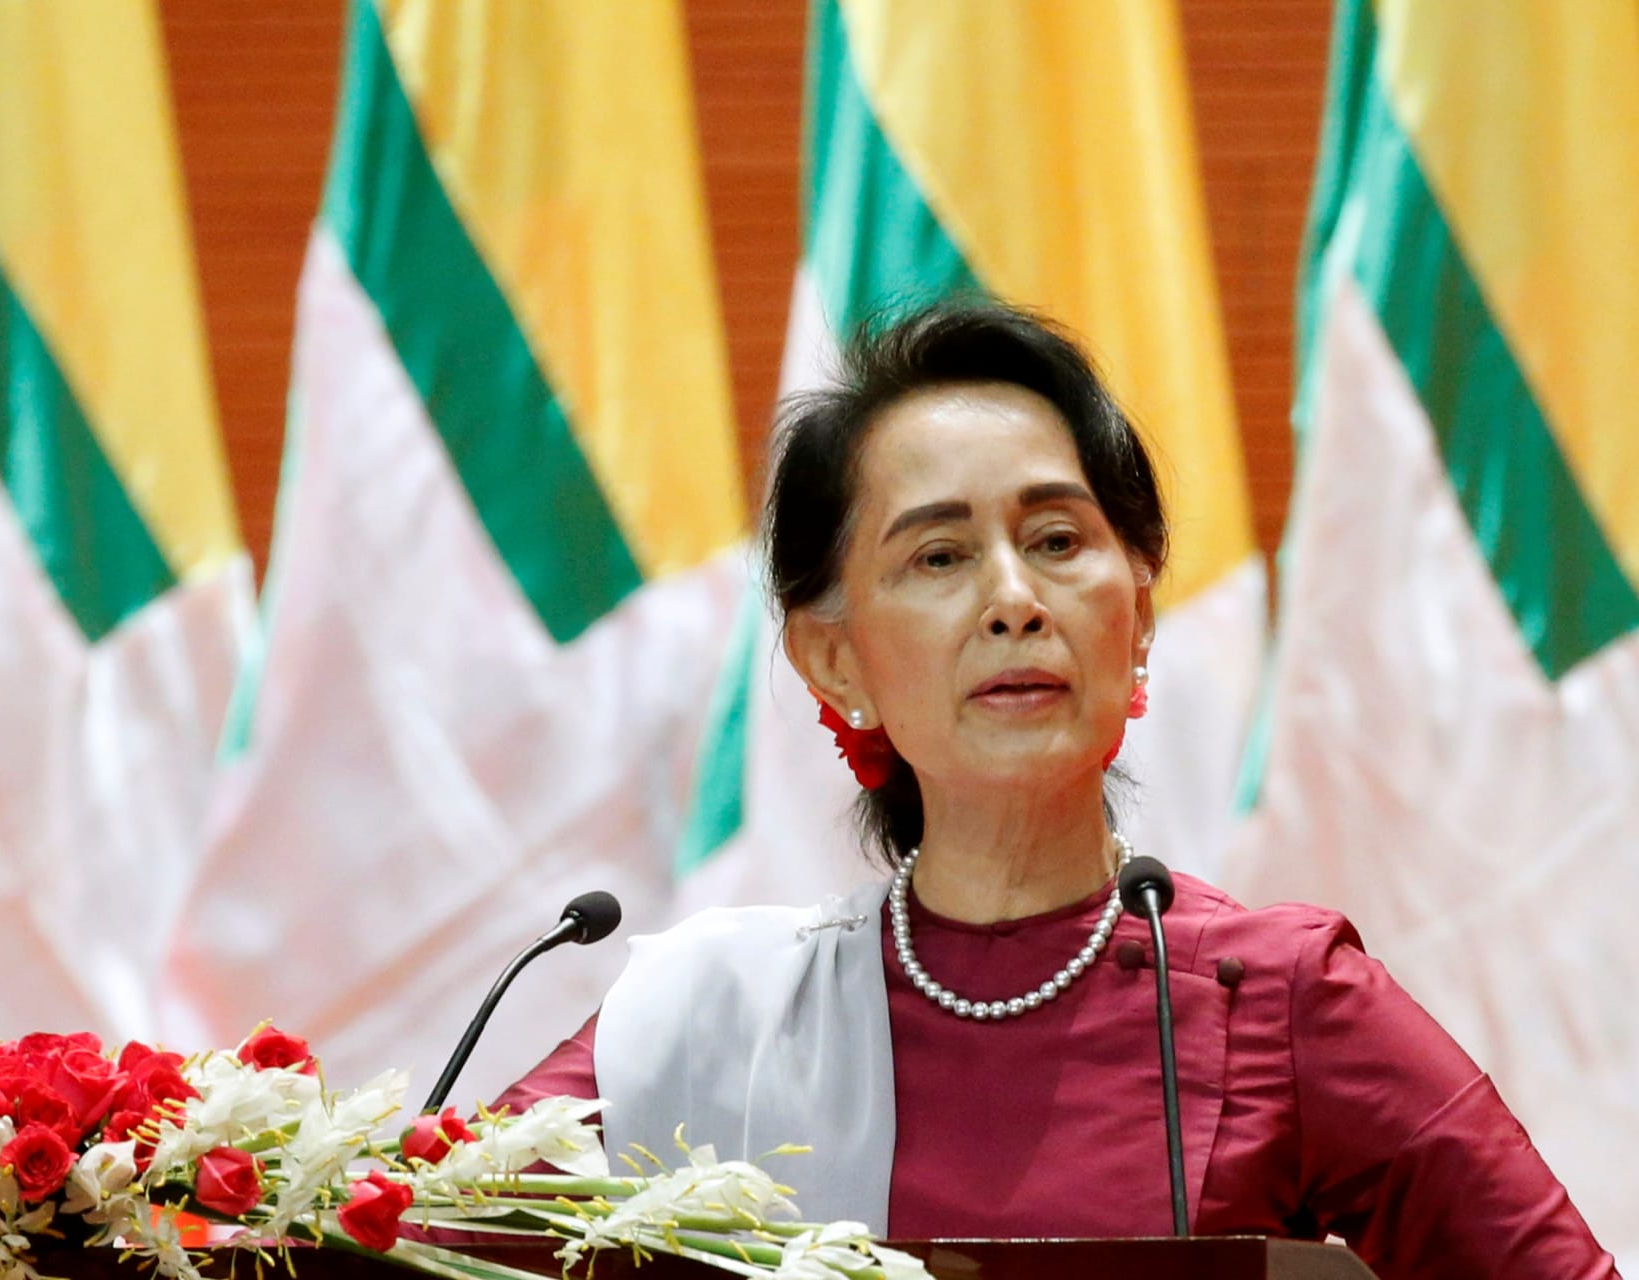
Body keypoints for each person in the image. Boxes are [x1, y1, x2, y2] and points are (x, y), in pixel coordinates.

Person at [493, 301, 1616, 1278]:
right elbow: (423, 1231)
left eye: (1058, 538)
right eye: (939, 556)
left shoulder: (1278, 999)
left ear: (1138, 614)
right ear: (836, 661)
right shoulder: (719, 1019)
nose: (1015, 600)